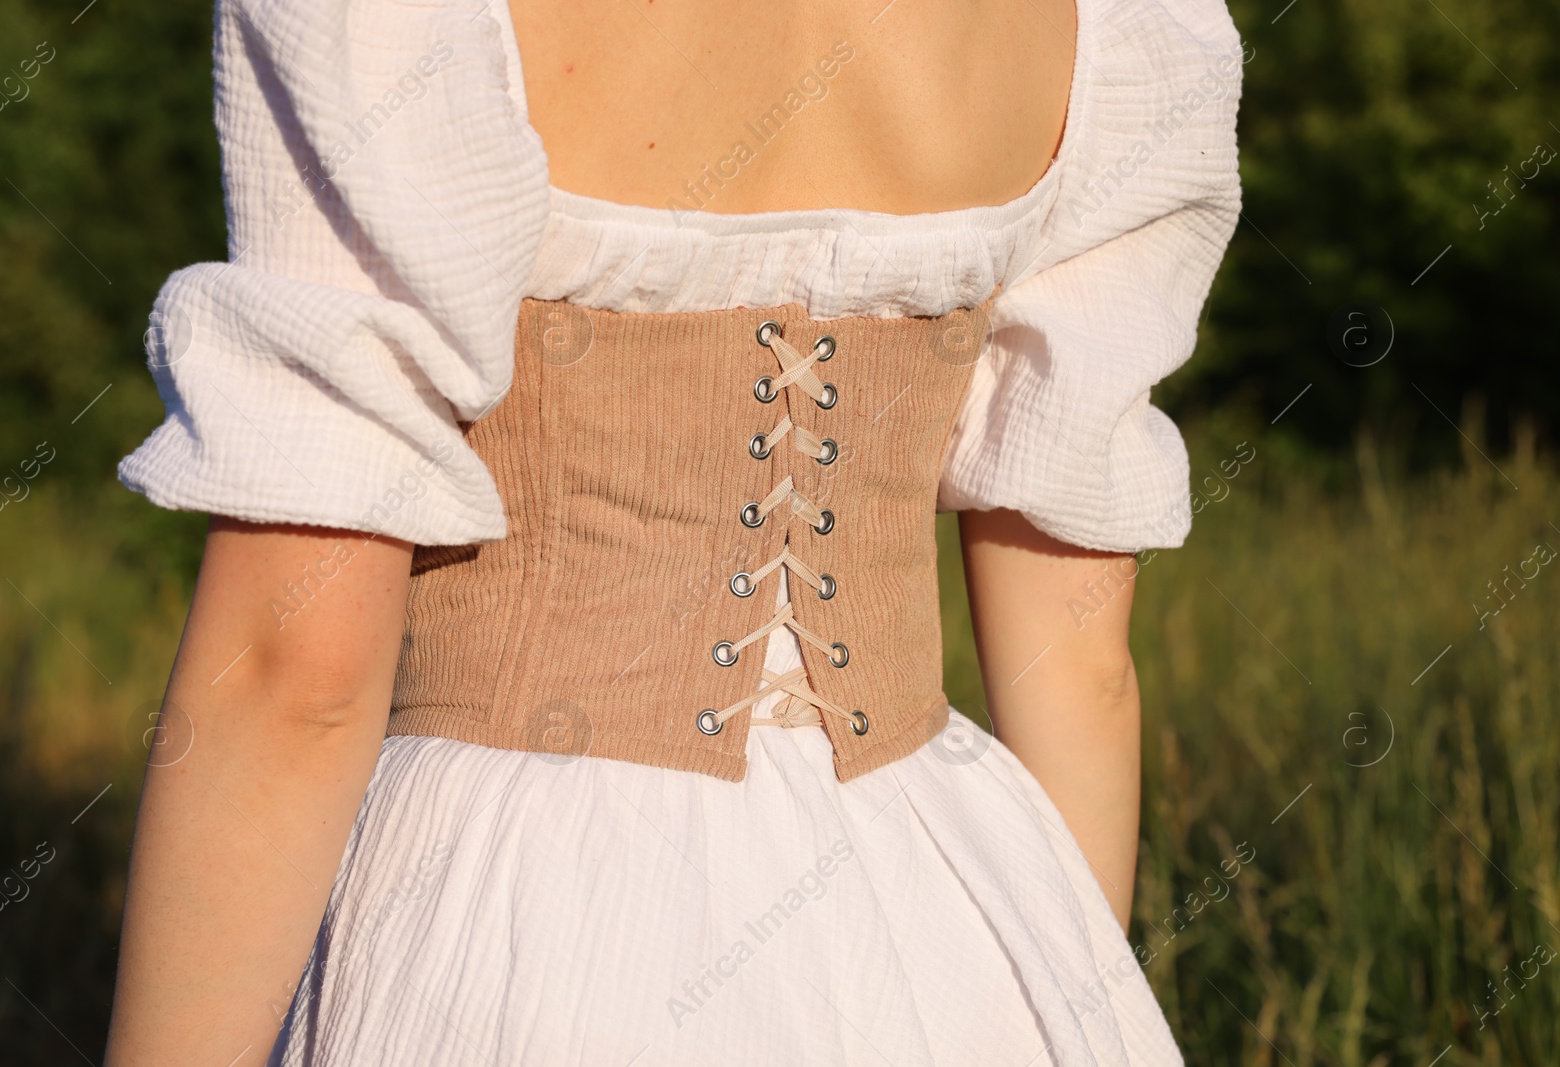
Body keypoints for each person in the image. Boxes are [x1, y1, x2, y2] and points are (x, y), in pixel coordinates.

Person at [104, 0, 1243, 1062]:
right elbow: (1079, 666)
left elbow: (296, 667)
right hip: (952, 906)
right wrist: (1055, 979)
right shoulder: (1124, 27)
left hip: (511, 919)